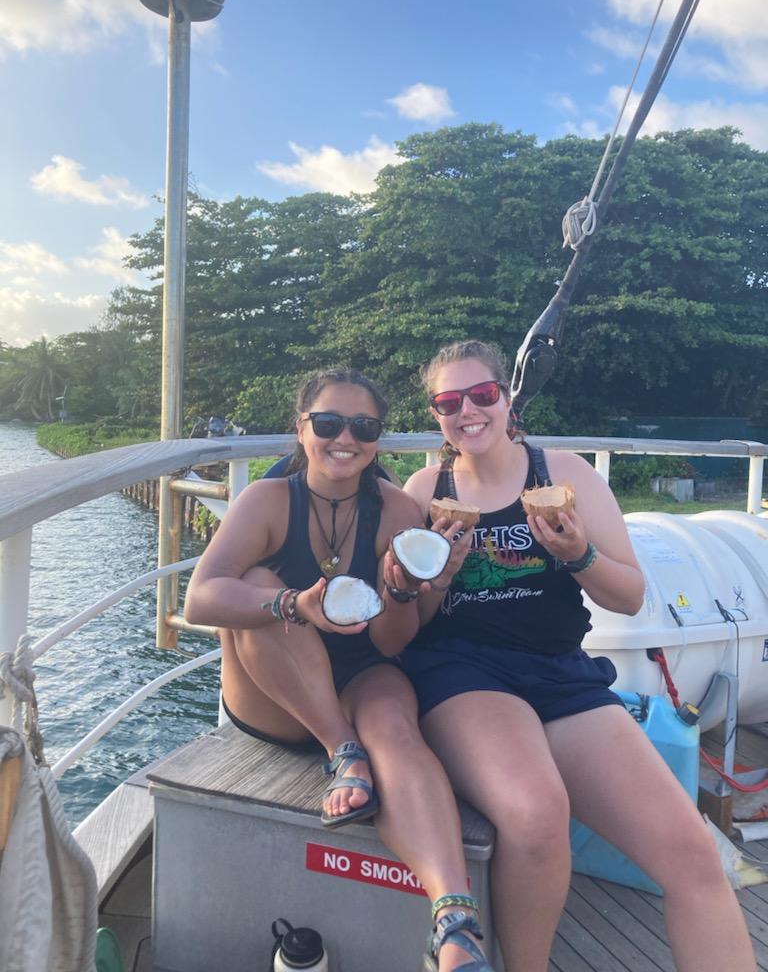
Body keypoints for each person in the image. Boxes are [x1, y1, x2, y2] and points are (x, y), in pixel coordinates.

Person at [397, 340, 757, 972]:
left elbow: (631, 594)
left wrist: (578, 556)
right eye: (449, 401)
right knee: (537, 814)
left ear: (508, 399)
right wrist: (441, 577)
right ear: (436, 413)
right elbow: (413, 623)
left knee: (693, 856)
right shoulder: (428, 487)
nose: (468, 411)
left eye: (482, 394)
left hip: (560, 671)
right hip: (463, 672)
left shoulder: (564, 474)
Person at [184, 367, 497, 972]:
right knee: (255, 584)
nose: (344, 438)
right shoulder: (268, 501)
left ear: (378, 438)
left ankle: (455, 923)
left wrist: (415, 588)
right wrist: (292, 604)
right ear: (301, 429)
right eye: (328, 423)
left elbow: (392, 637)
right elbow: (200, 599)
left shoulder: (398, 509)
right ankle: (341, 748)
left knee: (398, 732)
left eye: (364, 426)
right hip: (276, 693)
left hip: (359, 669)